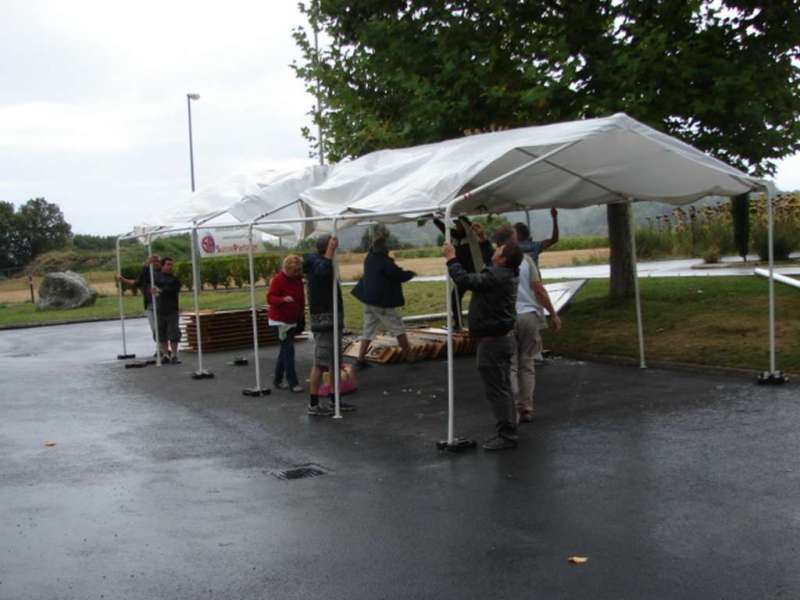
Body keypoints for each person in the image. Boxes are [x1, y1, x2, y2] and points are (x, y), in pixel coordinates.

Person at [444, 238, 523, 451]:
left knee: (497, 389)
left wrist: (452, 259)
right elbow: (486, 267)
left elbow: (465, 280)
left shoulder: (497, 276)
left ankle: (507, 434)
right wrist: (482, 241)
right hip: (501, 339)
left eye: (499, 249)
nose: (495, 250)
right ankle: (509, 428)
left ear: (503, 259)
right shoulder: (506, 273)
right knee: (503, 387)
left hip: (493, 343)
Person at [303, 235, 356, 416]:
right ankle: (313, 404)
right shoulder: (316, 263)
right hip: (323, 323)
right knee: (320, 364)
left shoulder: (319, 261)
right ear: (327, 248)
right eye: (333, 246)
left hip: (333, 320)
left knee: (335, 363)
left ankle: (335, 400)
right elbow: (323, 271)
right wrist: (330, 251)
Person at [351, 235, 416, 368]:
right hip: (381, 301)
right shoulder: (384, 261)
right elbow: (397, 275)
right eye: (387, 247)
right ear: (384, 249)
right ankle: (410, 357)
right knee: (398, 327)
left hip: (369, 299)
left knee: (368, 330)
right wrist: (411, 273)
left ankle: (361, 360)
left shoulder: (369, 258)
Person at [433, 216, 493, 328]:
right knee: (454, 297)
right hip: (462, 274)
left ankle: (484, 320)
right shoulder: (456, 238)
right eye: (456, 225)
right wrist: (435, 220)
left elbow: (456, 232)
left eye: (459, 224)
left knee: (480, 299)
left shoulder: (470, 236)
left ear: (465, 226)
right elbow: (447, 230)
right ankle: (458, 323)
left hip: (474, 273)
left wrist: (437, 220)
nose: (457, 227)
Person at [267, 255, 306, 392]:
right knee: (289, 351)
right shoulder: (278, 280)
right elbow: (270, 298)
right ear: (287, 269)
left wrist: (301, 315)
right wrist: (283, 299)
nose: (297, 273)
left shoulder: (298, 280)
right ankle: (293, 383)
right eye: (294, 271)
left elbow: (301, 298)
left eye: (298, 270)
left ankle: (277, 380)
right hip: (279, 322)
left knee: (284, 351)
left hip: (292, 320)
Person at [118, 255, 161, 356]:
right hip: (149, 306)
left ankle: (161, 349)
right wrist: (122, 279)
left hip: (160, 305)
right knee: (154, 329)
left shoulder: (161, 274)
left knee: (160, 328)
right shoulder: (146, 275)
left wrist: (147, 263)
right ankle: (160, 348)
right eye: (153, 262)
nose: (155, 264)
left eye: (157, 262)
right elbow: (135, 283)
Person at [153, 256, 182, 364]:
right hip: (160, 309)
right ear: (162, 265)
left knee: (173, 333)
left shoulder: (174, 279)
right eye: (168, 264)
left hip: (172, 310)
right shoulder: (155, 277)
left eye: (171, 264)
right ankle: (165, 354)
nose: (170, 267)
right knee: (161, 333)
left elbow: (172, 289)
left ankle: (174, 355)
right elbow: (152, 288)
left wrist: (160, 289)